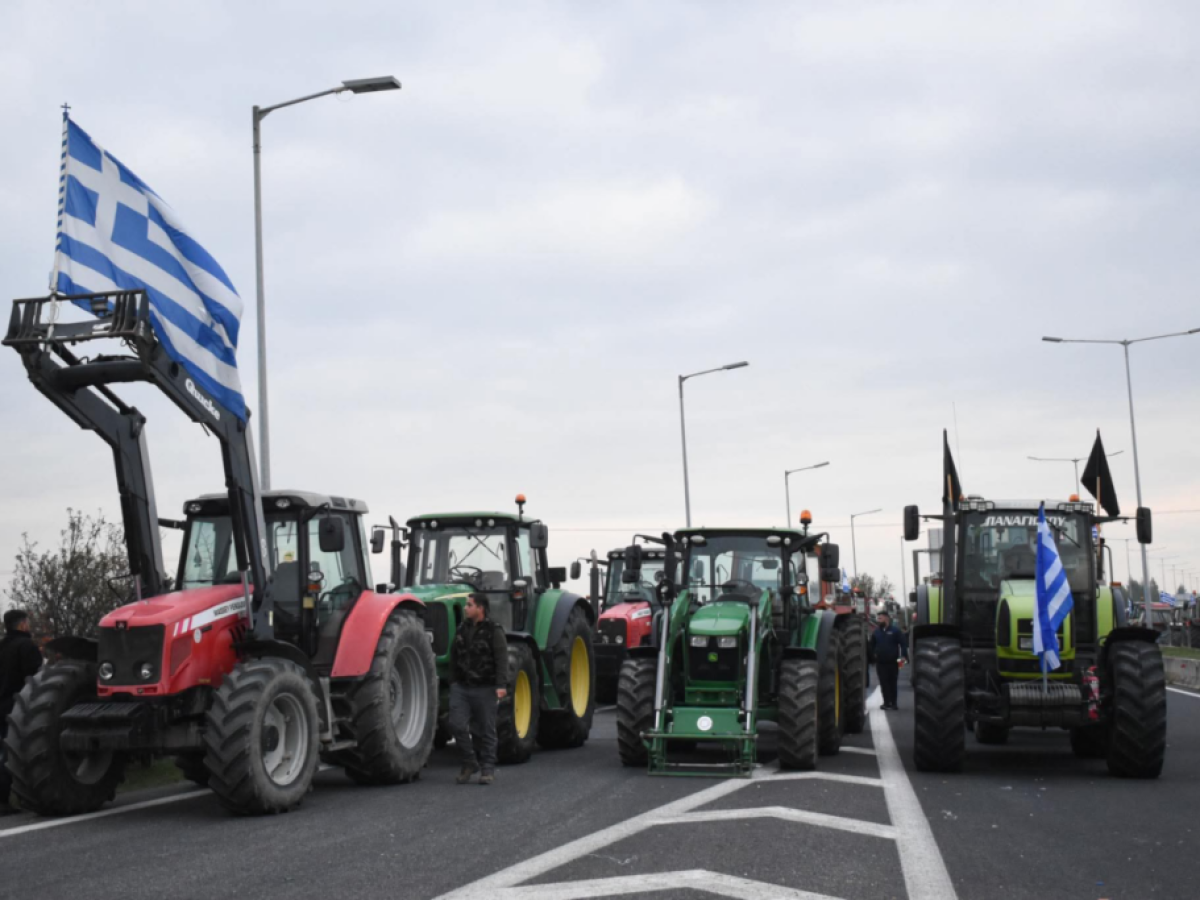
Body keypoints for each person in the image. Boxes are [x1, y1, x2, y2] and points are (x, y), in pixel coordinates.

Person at [447, 593, 508, 785]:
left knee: (486, 730)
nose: (465, 608)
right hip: (462, 687)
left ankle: (487, 768)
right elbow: (454, 655)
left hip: (485, 687)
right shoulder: (461, 629)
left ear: (480, 608)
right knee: (456, 725)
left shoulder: (493, 630)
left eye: (469, 605)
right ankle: (469, 763)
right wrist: (453, 682)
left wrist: (500, 685)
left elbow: (501, 658)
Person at [0, 610, 43, 814]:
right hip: (17, 708)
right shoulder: (26, 646)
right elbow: (35, 680)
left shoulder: (2, 646)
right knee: (12, 754)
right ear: (22, 625)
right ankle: (7, 799)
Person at [868, 611, 908, 711]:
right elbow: (871, 646)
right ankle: (886, 703)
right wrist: (872, 659)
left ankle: (894, 704)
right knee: (883, 683)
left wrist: (902, 661)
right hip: (880, 663)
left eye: (880, 618)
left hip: (893, 663)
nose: (878, 620)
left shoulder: (896, 631)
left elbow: (903, 645)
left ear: (887, 618)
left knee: (893, 683)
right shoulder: (876, 632)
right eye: (878, 618)